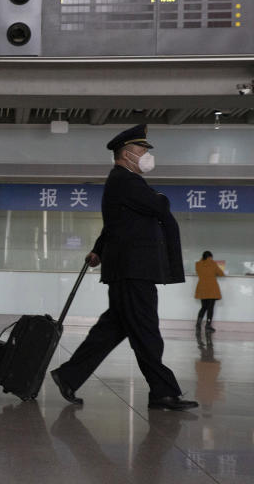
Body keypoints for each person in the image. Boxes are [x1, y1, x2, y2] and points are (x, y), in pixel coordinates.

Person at [50, 124, 198, 411]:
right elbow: (160, 205)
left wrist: (99, 251)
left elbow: (116, 225)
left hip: (128, 270)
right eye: (142, 151)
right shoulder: (126, 181)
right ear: (127, 154)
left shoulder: (122, 181)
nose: (146, 157)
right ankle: (162, 393)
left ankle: (68, 375)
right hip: (134, 271)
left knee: (111, 330)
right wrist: (160, 198)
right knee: (146, 332)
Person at [194, 251, 224, 332]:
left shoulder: (198, 264)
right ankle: (208, 325)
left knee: (203, 307)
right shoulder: (213, 263)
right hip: (212, 289)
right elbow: (221, 273)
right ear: (210, 257)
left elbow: (199, 272)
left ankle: (198, 324)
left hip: (202, 288)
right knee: (210, 308)